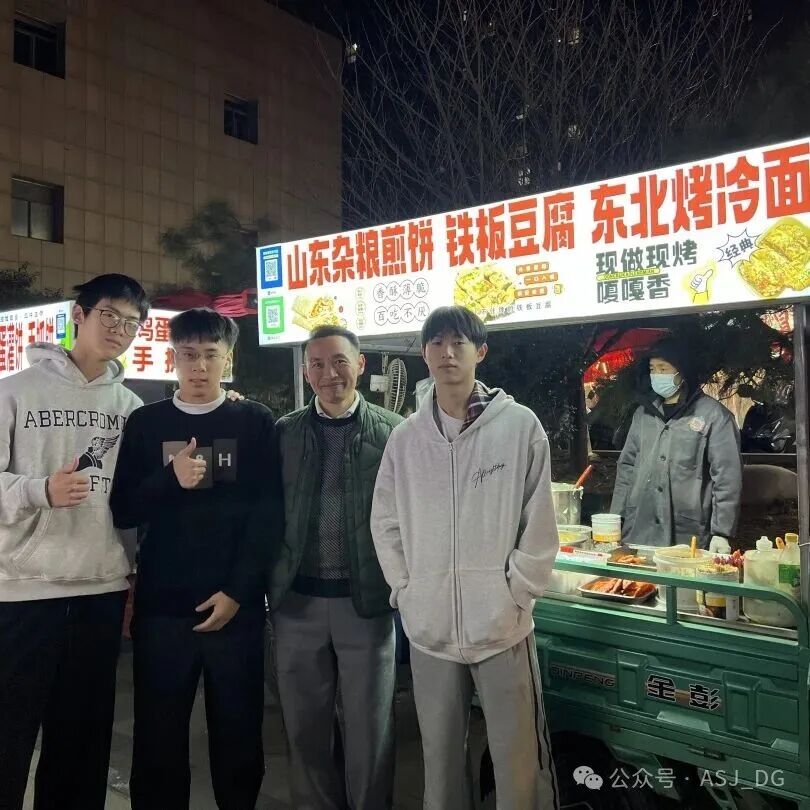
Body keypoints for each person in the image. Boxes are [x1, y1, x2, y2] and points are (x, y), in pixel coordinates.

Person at [371, 306, 559, 810]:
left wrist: (517, 593)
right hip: (429, 629)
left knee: (517, 759)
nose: (447, 353)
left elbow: (540, 521)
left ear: (481, 352)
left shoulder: (518, 427)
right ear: (425, 353)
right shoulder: (406, 439)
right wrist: (407, 591)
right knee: (439, 760)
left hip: (501, 626)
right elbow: (385, 522)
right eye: (437, 342)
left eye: (459, 342)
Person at [110, 308, 281, 810]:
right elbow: (123, 508)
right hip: (163, 610)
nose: (199, 366)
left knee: (239, 738)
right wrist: (170, 478)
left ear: (228, 358)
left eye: (210, 354)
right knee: (158, 739)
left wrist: (239, 592)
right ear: (173, 358)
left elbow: (268, 516)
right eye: (188, 355)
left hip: (236, 610)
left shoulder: (253, 421)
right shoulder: (147, 423)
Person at [0, 274, 149, 810]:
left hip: (100, 589)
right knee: (8, 735)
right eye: (109, 315)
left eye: (131, 323)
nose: (119, 330)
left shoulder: (131, 407)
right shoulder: (13, 391)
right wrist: (39, 490)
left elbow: (136, 499)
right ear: (78, 315)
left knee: (82, 743)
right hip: (22, 591)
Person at [268, 325, 402, 810]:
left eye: (340, 361)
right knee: (304, 726)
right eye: (318, 364)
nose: (330, 374)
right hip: (296, 603)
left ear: (360, 365)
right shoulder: (283, 434)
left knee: (370, 726)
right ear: (307, 371)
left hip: (366, 601)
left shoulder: (395, 433)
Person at [610, 338, 743, 549]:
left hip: (687, 532)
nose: (657, 375)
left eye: (663, 369)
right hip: (639, 528)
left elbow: (727, 476)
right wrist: (616, 517)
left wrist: (721, 531)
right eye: (652, 369)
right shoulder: (643, 414)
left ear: (683, 372)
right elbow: (627, 466)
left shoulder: (714, 416)